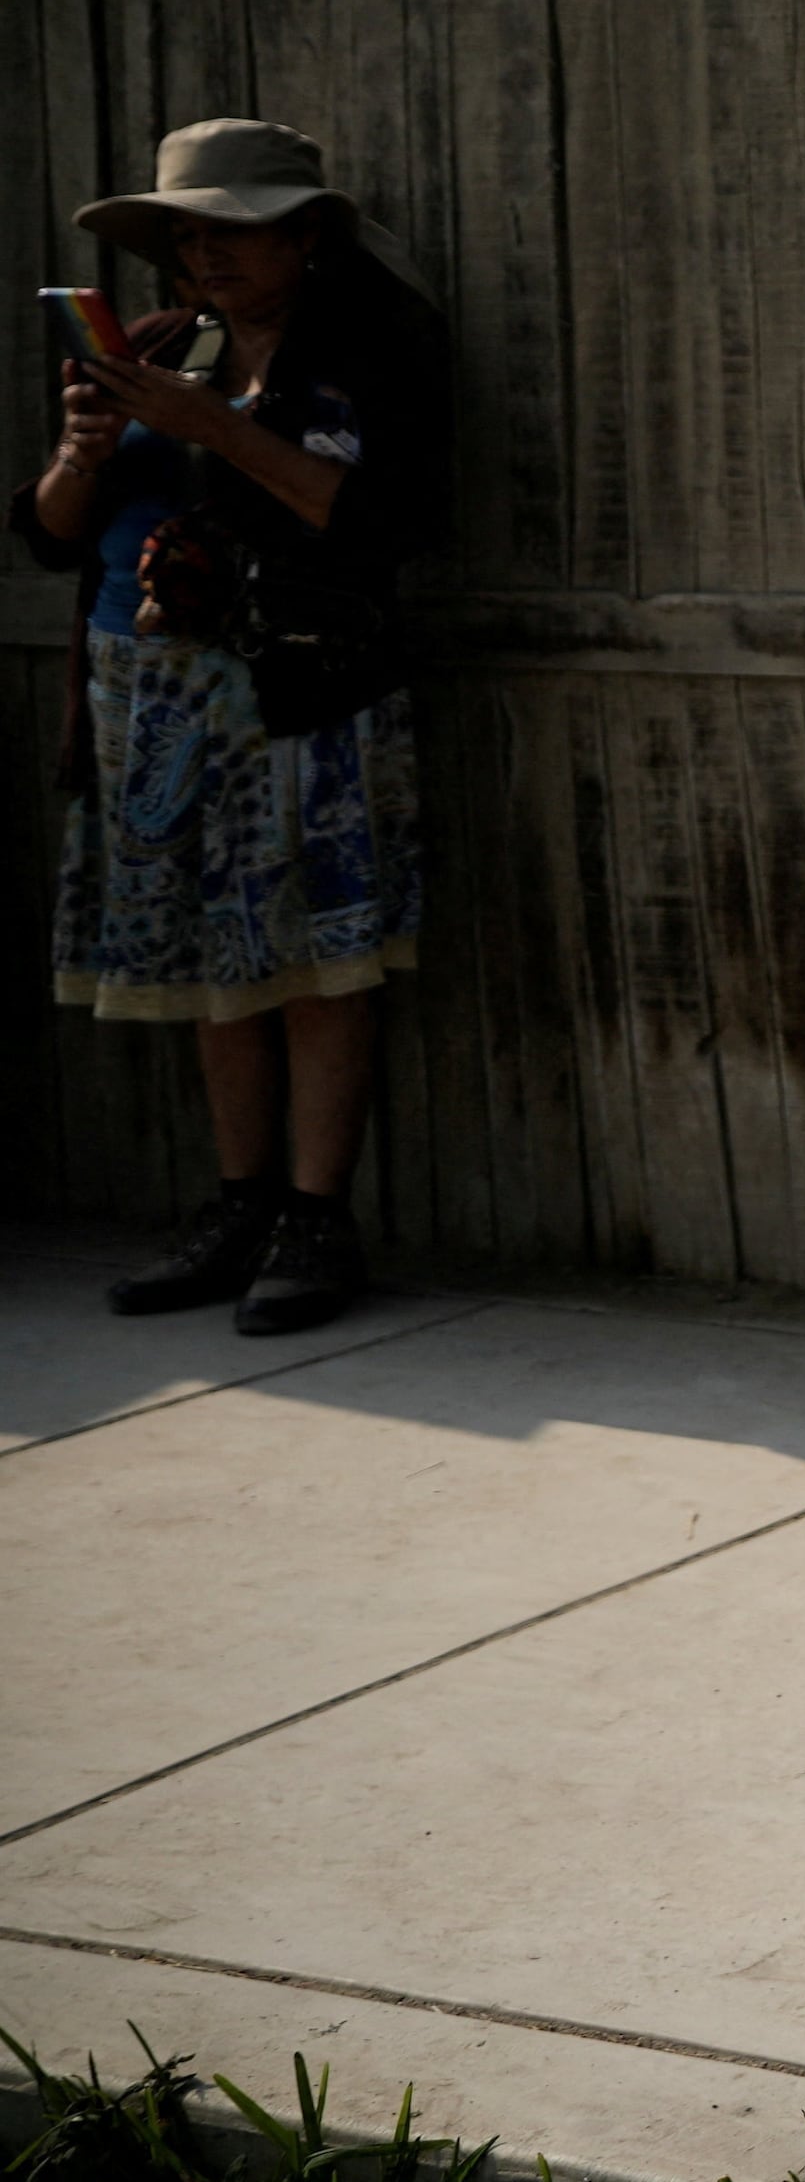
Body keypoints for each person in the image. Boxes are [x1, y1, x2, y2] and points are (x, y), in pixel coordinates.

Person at [18, 120, 451, 1338]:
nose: (208, 254)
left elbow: (386, 521)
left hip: (300, 686)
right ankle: (242, 1204)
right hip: (144, 692)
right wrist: (83, 451)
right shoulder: (174, 344)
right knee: (216, 963)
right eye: (190, 232)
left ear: (306, 234)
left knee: (317, 955)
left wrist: (220, 434)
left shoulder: (366, 352)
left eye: (236, 229)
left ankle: (317, 1216)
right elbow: (50, 535)